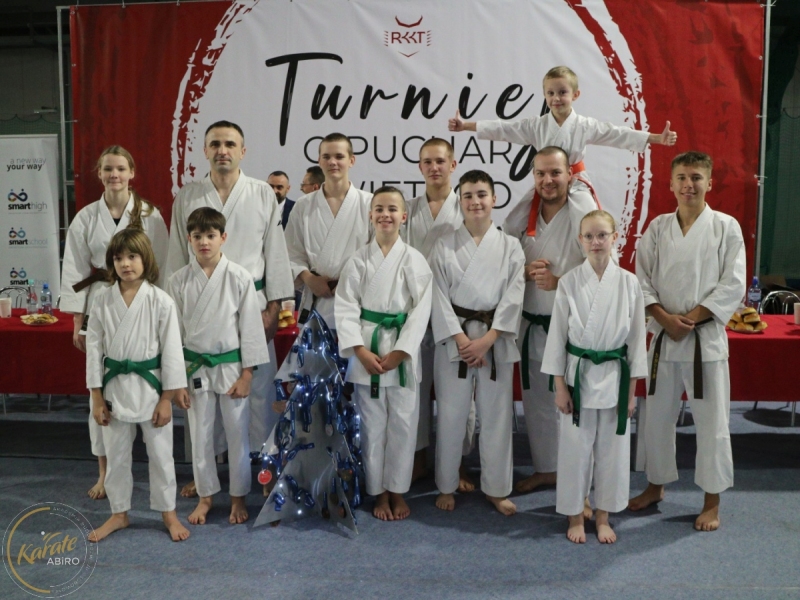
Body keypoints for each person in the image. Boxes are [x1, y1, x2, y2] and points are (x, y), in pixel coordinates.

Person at [166, 120, 294, 498]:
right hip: (202, 306)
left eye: (230, 144)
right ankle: (206, 473)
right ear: (205, 150)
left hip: (254, 300)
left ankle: (265, 466)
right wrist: (174, 312)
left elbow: (275, 251)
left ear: (243, 151)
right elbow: (177, 254)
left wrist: (275, 305)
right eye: (216, 144)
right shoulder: (188, 195)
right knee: (204, 395)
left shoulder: (261, 193)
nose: (223, 150)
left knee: (258, 390)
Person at [630, 151, 746, 532]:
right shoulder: (657, 228)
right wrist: (665, 318)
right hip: (664, 337)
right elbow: (641, 279)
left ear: (709, 182)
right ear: (670, 183)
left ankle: (712, 500)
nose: (688, 185)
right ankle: (655, 485)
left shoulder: (726, 227)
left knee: (712, 422)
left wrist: (691, 319)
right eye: (681, 177)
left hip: (703, 340)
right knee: (656, 419)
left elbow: (733, 284)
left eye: (696, 177)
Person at [61, 145, 169, 502]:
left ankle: (150, 464)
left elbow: (162, 263)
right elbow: (75, 268)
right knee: (101, 383)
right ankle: (105, 470)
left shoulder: (149, 214)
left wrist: (159, 310)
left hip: (143, 302)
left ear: (132, 172)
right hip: (100, 300)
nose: (114, 175)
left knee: (144, 381)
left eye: (120, 168)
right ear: (99, 173)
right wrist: (78, 318)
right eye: (108, 169)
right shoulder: (86, 217)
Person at [541, 210, 647, 544]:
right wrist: (559, 387)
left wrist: (631, 392)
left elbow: (636, 340)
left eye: (602, 235)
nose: (596, 242)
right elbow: (557, 338)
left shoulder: (629, 283)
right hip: (578, 377)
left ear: (615, 237)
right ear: (580, 240)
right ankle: (575, 515)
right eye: (589, 236)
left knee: (612, 451)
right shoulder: (570, 281)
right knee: (575, 449)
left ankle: (603, 515)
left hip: (616, 377)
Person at [501, 146, 598, 499]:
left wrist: (560, 281)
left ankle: (578, 478)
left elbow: (602, 264)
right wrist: (523, 270)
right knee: (537, 402)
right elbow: (502, 255)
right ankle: (546, 469)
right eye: (540, 173)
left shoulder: (582, 214)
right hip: (531, 323)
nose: (548, 180)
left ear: (570, 174)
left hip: (571, 326)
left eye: (555, 172)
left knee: (573, 403)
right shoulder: (524, 214)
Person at [449, 65, 676, 212]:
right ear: (544, 95)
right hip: (545, 184)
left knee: (590, 220)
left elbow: (616, 134)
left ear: (575, 95)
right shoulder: (536, 125)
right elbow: (504, 128)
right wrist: (466, 126)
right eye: (551, 93)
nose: (556, 98)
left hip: (576, 183)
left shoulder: (585, 125)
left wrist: (656, 138)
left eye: (562, 92)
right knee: (514, 222)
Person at [335, 186, 432, 521]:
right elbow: (346, 307)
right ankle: (378, 492)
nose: (385, 215)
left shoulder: (414, 259)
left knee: (404, 424)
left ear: (404, 216)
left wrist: (401, 352)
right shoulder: (358, 260)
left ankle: (398, 490)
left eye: (392, 209)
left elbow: (421, 310)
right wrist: (360, 351)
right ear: (370, 215)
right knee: (372, 426)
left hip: (402, 355)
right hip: (368, 352)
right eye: (379, 209)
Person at [431, 170, 525, 516]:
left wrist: (487, 339)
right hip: (454, 341)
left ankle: (497, 488)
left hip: (494, 342)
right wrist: (460, 339)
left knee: (497, 416)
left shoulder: (510, 246)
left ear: (494, 199)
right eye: (468, 195)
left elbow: (514, 296)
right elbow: (437, 296)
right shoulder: (444, 245)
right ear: (460, 201)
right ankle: (446, 484)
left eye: (481, 194)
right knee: (451, 414)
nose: (475, 201)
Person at [85, 229, 189, 542]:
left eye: (132, 256)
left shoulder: (161, 301)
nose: (126, 264)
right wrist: (96, 397)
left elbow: (172, 352)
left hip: (152, 389)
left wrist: (167, 398)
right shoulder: (102, 300)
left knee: (161, 455)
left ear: (146, 259)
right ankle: (119, 513)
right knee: (116, 455)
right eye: (118, 258)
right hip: (114, 388)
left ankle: (169, 513)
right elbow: (94, 350)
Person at [169, 208, 269, 525]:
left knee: (238, 433)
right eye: (198, 236)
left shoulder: (239, 277)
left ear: (223, 238)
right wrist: (176, 382)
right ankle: (206, 496)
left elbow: (251, 329)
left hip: (231, 366)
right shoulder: (178, 281)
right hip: (194, 367)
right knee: (200, 435)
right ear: (189, 239)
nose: (204, 242)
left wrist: (248, 374)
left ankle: (238, 497)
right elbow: (173, 335)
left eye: (211, 236)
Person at [402, 138, 476, 487]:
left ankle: (456, 462)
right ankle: (416, 458)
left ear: (453, 164)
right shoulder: (407, 209)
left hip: (454, 313)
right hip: (413, 310)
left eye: (440, 161)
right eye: (427, 162)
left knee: (457, 395)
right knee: (413, 389)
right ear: (420, 167)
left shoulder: (467, 208)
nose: (434, 168)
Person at [285, 133, 372, 329]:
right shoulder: (303, 205)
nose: (332, 162)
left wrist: (349, 280)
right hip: (317, 301)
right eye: (326, 157)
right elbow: (291, 252)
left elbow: (379, 253)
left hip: (358, 301)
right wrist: (309, 278)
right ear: (319, 160)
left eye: (339, 156)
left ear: (351, 160)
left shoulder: (369, 203)